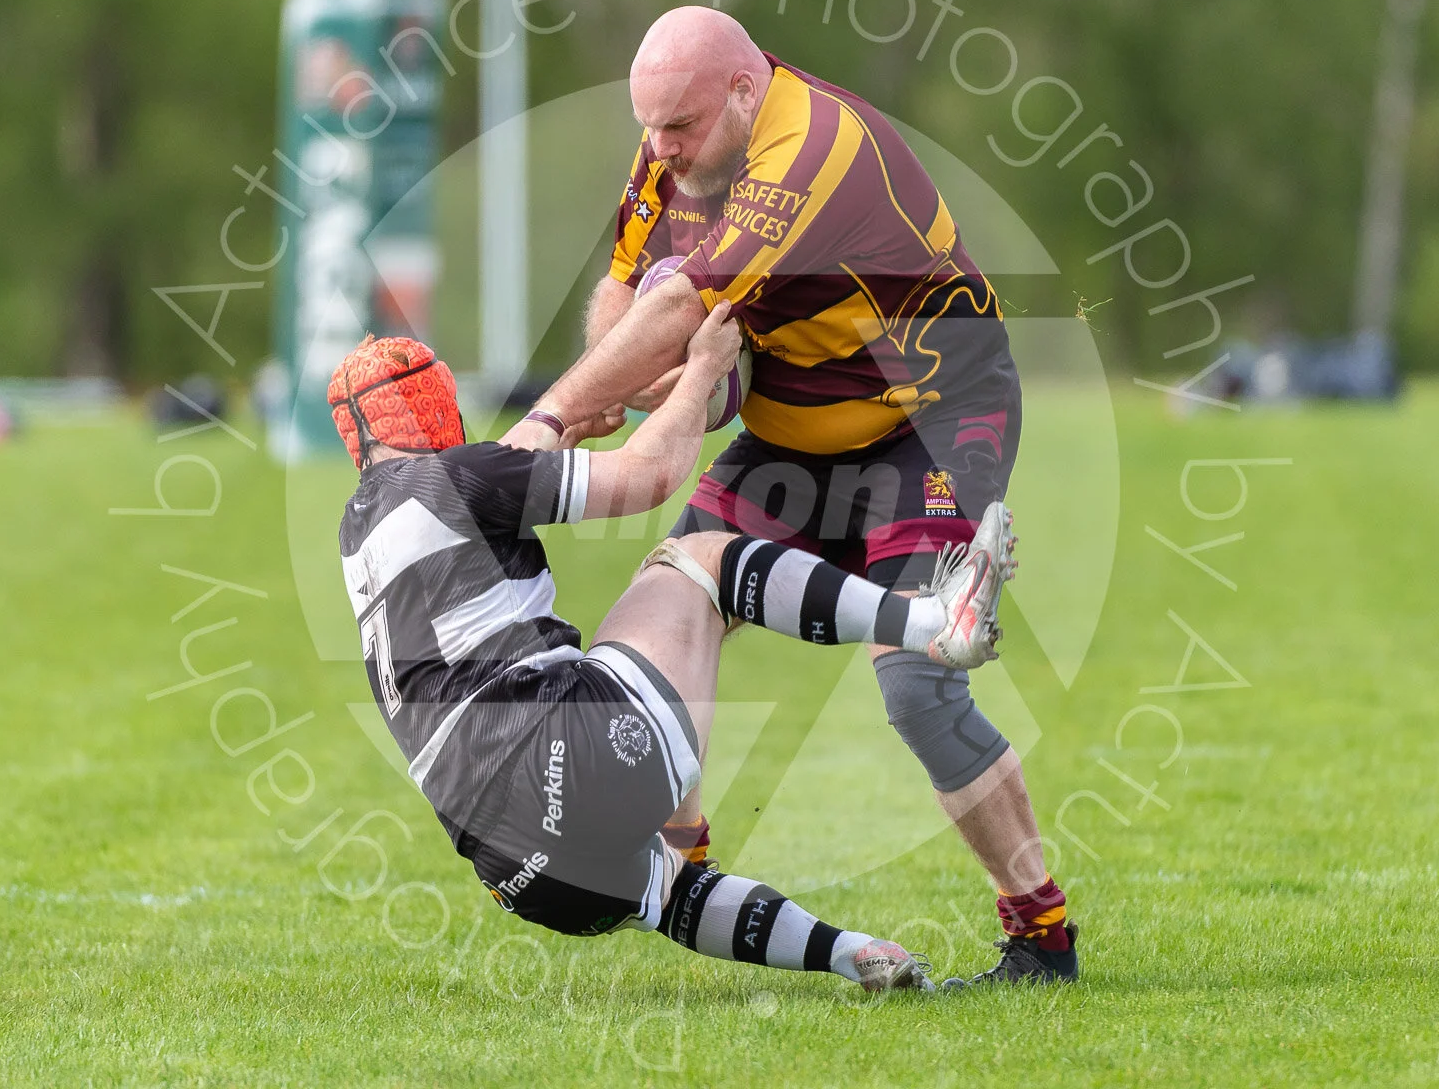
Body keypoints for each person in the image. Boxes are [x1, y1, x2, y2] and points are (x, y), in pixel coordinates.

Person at [500, 6, 1077, 986]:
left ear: (740, 91)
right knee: (663, 606)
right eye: (650, 127)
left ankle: (1040, 934)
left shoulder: (812, 151)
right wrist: (635, 378)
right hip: (791, 431)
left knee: (917, 685)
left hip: (927, 420)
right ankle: (683, 869)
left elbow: (680, 307)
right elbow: (629, 290)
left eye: (678, 126)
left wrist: (549, 422)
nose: (659, 149)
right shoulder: (673, 148)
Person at [328, 308, 1016, 995]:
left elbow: (493, 477)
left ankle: (855, 955)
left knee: (678, 892)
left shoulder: (362, 530)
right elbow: (651, 475)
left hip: (519, 876)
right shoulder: (457, 480)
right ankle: (931, 622)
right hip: (578, 757)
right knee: (692, 563)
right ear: (433, 404)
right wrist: (707, 370)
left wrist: (560, 425)